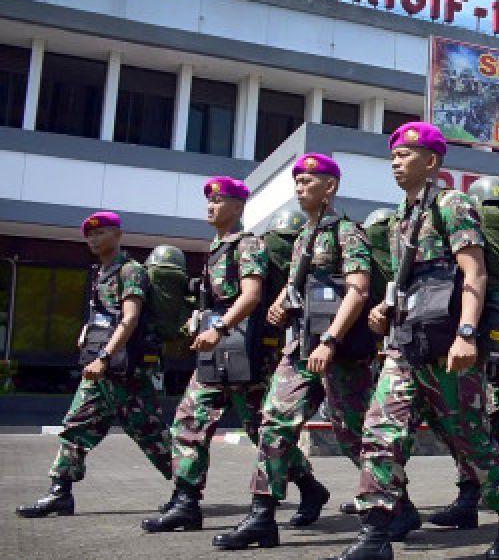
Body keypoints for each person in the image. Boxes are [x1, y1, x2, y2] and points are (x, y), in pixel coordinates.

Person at [316, 123, 499, 560]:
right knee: (379, 432)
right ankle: (374, 536)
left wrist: (468, 334)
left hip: (448, 346)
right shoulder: (402, 216)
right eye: (392, 154)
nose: (395, 160)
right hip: (405, 344)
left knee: (470, 439)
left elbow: (473, 274)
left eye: (406, 153)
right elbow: (409, 281)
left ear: (431, 161)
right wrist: (383, 309)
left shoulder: (453, 205)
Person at [213, 154, 373, 551]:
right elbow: (299, 282)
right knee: (274, 421)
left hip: (339, 349)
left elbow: (358, 290)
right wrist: (283, 300)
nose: (300, 187)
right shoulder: (303, 236)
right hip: (301, 346)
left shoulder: (348, 233)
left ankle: (392, 502)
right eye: (297, 180)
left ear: (330, 186)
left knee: (353, 434)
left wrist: (331, 341)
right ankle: (262, 515)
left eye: (308, 180)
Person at [144, 178, 317, 532]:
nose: (211, 206)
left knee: (262, 430)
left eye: (219, 200)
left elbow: (252, 295)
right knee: (189, 422)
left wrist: (218, 328)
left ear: (238, 207)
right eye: (209, 200)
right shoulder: (216, 247)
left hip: (245, 351)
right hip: (217, 351)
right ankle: (186, 502)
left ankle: (310, 488)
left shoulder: (248, 244)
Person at [16, 212, 172, 518]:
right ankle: (60, 492)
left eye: (100, 232)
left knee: (151, 434)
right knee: (76, 427)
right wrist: (87, 335)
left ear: (118, 234)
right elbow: (106, 316)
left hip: (128, 372)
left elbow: (130, 318)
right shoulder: (101, 272)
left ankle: (186, 492)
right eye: (89, 234)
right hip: (103, 372)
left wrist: (104, 357)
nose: (93, 238)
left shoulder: (130, 271)